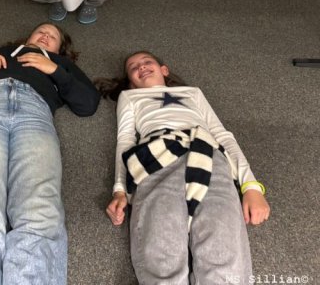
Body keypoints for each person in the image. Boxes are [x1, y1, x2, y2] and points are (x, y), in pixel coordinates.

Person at [98, 51, 270, 284]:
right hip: (156, 154)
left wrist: (251, 186)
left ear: (164, 70)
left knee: (223, 239)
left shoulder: (192, 93)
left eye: (147, 62)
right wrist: (120, 190)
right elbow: (125, 141)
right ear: (130, 81)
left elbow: (222, 135)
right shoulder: (130, 97)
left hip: (207, 150)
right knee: (160, 240)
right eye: (133, 67)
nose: (141, 67)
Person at [0, 23, 100, 285]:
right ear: (28, 37)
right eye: (41, 31)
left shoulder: (59, 64)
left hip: (35, 112)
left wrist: (54, 70)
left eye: (53, 36)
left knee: (39, 211)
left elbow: (88, 104)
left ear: (60, 49)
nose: (45, 35)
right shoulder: (6, 51)